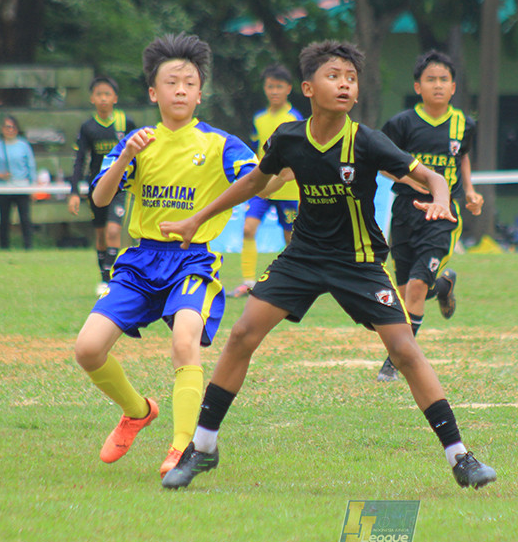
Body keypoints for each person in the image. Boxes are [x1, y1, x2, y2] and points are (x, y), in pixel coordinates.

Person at [159, 40, 496, 491]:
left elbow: (433, 176)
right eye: (333, 76)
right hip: (302, 257)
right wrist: (197, 218)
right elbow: (255, 182)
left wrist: (439, 199)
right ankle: (202, 448)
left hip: (358, 263)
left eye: (351, 78)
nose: (344, 84)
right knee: (241, 335)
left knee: (405, 351)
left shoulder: (368, 141)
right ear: (308, 88)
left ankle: (461, 457)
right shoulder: (289, 140)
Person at [73, 33, 259, 478]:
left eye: (189, 83)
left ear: (199, 93)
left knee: (184, 343)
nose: (180, 90)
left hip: (193, 260)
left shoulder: (220, 143)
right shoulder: (138, 141)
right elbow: (100, 198)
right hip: (140, 261)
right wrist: (123, 160)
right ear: (154, 93)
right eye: (171, 82)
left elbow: (256, 179)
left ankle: (182, 448)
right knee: (87, 350)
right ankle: (137, 411)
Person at [376, 50, 484, 381]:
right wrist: (413, 180)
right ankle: (445, 285)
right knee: (409, 288)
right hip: (406, 212)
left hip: (444, 213)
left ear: (453, 87)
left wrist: (469, 191)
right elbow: (383, 162)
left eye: (444, 80)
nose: (438, 85)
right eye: (430, 80)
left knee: (417, 287)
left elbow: (462, 157)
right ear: (417, 86)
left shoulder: (463, 124)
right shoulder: (401, 124)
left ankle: (395, 361)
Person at [230, 64, 304, 297]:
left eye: (279, 87)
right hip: (262, 187)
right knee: (248, 229)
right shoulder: (259, 118)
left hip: (288, 189)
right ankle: (248, 282)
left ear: (288, 89)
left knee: (290, 238)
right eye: (270, 86)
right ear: (265, 88)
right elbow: (256, 149)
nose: (274, 91)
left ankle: (294, 282)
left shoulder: (294, 118)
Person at [67, 76, 137, 296]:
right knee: (100, 234)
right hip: (96, 187)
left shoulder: (126, 123)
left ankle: (111, 280)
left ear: (115, 98)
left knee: (113, 230)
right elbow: (80, 160)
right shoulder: (88, 127)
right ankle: (103, 277)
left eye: (108, 94)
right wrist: (74, 192)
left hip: (120, 186)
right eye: (99, 94)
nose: (103, 98)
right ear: (92, 98)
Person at [0, 115, 37, 249]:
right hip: (2, 187)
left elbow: (31, 166)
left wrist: (33, 186)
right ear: (2, 129)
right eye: (7, 127)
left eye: (13, 127)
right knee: (4, 219)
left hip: (22, 185)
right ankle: (4, 247)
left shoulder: (23, 145)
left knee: (25, 218)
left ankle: (28, 246)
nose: (10, 130)